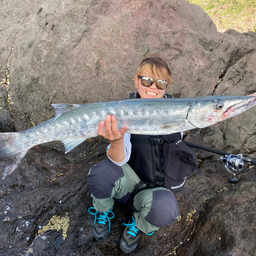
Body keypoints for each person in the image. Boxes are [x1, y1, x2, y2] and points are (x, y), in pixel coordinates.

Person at [88, 55, 198, 254]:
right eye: (147, 80)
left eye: (161, 83)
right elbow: (119, 159)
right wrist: (117, 140)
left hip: (154, 190)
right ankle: (103, 211)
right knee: (101, 172)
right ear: (136, 80)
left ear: (167, 87)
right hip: (127, 184)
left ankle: (137, 225)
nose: (153, 87)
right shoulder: (124, 111)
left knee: (167, 209)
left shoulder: (178, 113)